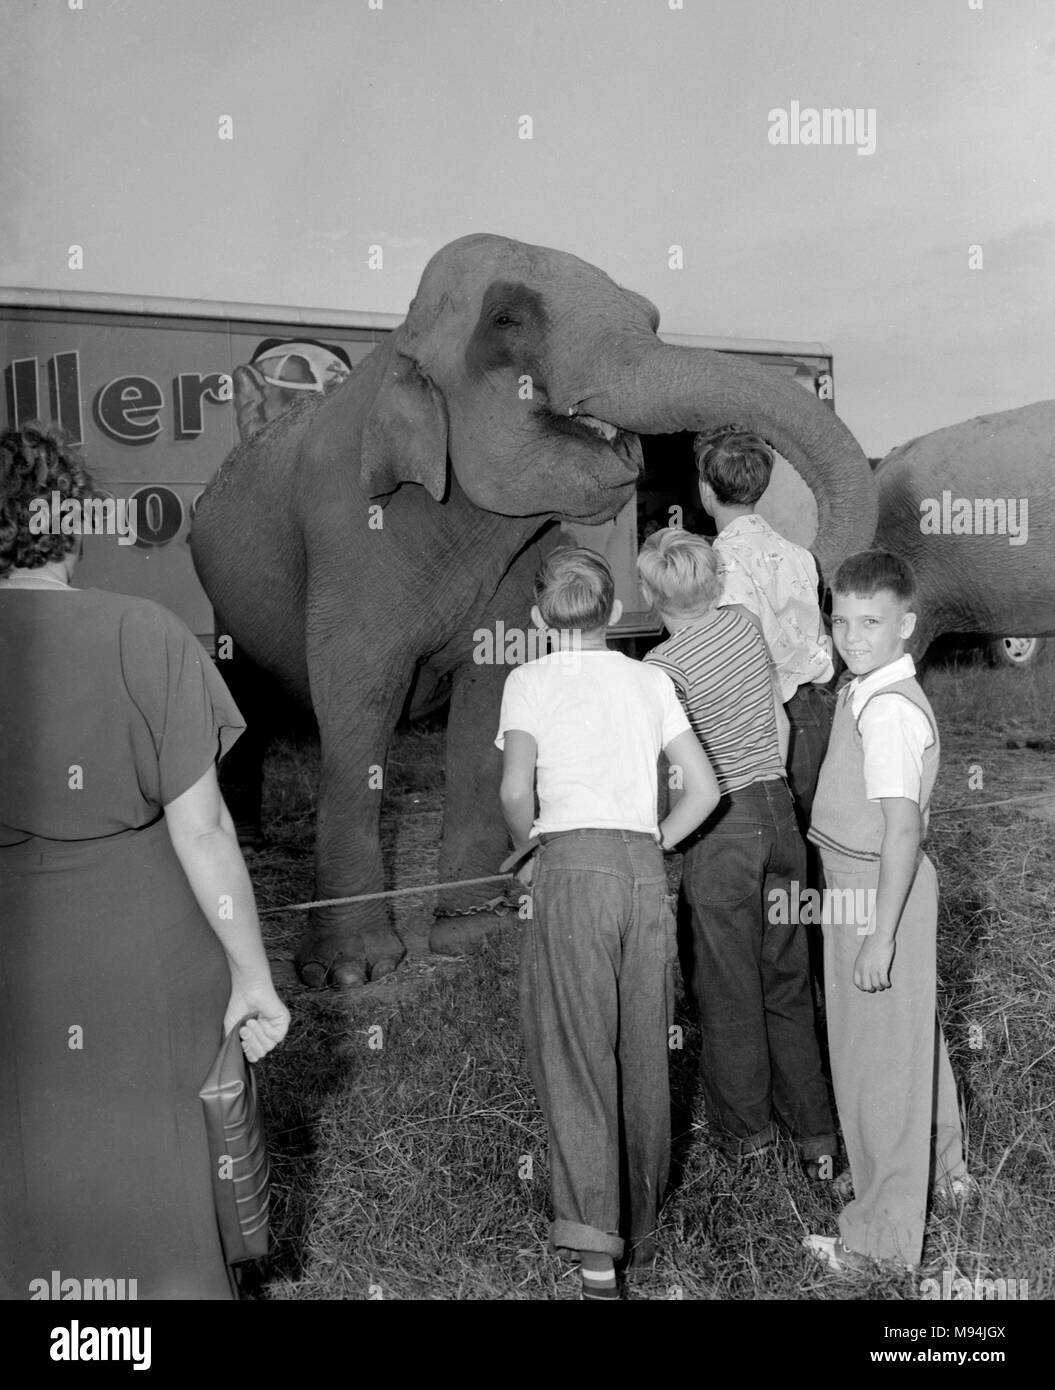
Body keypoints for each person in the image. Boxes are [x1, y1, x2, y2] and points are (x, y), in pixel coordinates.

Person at [0, 422, 290, 1301]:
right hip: (146, 944)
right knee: (155, 1158)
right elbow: (203, 832)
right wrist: (251, 975)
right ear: (73, 521)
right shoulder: (145, 632)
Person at [496, 547, 719, 1299]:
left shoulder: (527, 680)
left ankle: (596, 1254)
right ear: (618, 614)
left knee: (575, 1051)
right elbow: (704, 787)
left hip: (571, 868)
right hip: (642, 871)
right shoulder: (650, 677)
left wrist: (529, 849)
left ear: (535, 620)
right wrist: (654, 841)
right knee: (641, 1054)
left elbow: (511, 787)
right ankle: (645, 1234)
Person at [638, 528, 836, 1173]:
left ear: (648, 594)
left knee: (727, 992)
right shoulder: (745, 625)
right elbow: (776, 722)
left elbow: (670, 772)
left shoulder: (658, 672)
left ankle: (747, 1145)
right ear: (718, 581)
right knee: (787, 979)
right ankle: (816, 1138)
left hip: (718, 830)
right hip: (780, 813)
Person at [803, 551, 968, 1273]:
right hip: (864, 882)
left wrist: (878, 935)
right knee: (905, 1049)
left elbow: (903, 830)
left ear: (906, 625)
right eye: (840, 620)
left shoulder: (891, 712)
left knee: (875, 1069)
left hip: (875, 888)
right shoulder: (867, 687)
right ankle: (945, 1174)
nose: (852, 635)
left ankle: (880, 1244)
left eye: (871, 622)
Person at [695, 427, 835, 830]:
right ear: (762, 486)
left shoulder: (720, 564)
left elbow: (744, 655)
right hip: (813, 711)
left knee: (772, 840)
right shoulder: (800, 556)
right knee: (811, 843)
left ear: (706, 489)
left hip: (767, 722)